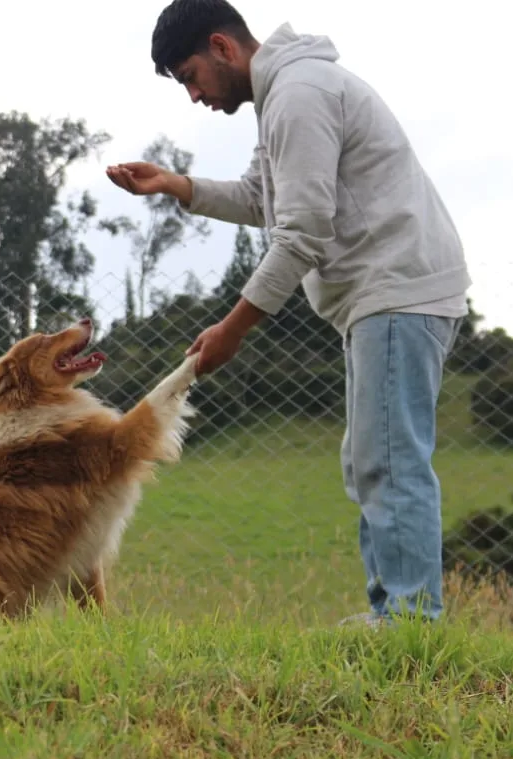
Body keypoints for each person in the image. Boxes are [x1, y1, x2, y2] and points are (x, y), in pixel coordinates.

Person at [105, 0, 471, 626]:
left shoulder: (299, 94)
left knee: (390, 461)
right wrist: (177, 185)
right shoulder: (283, 97)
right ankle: (396, 612)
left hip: (397, 289)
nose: (193, 96)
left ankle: (412, 623)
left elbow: (300, 234)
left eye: (190, 76)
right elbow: (262, 199)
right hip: (382, 294)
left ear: (222, 47)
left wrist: (232, 330)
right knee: (371, 460)